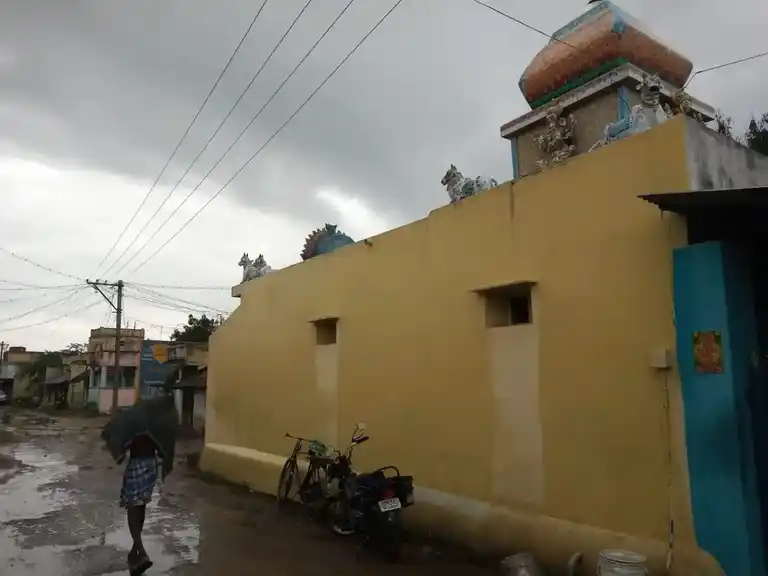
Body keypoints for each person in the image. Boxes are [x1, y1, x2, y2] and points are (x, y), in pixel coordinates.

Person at [121, 433, 160, 575]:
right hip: (148, 465)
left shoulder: (137, 425)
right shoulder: (152, 425)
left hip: (141, 464)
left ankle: (139, 552)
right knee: (138, 506)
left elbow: (125, 444)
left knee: (135, 506)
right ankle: (136, 552)